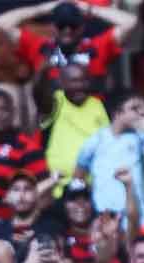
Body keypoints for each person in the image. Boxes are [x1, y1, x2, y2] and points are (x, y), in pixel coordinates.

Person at [0, 0, 137, 90]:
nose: (67, 30)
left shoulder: (95, 48)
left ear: (81, 27)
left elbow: (130, 22)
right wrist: (43, 8)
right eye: (62, 25)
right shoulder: (41, 48)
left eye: (73, 25)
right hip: (54, 124)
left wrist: (89, 9)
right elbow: (2, 22)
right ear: (53, 27)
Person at [74, 93, 144, 223]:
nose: (140, 113)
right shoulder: (96, 140)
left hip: (137, 216)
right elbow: (78, 176)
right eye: (134, 109)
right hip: (103, 217)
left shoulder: (141, 137)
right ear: (118, 113)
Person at [0, 89, 51, 221]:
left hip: (12, 223)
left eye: (4, 110)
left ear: (12, 112)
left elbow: (45, 193)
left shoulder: (27, 147)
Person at [36, 63, 109, 197]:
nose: (80, 85)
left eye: (84, 80)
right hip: (59, 186)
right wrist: (42, 74)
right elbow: (40, 97)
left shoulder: (97, 105)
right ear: (61, 83)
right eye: (74, 81)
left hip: (93, 187)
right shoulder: (57, 100)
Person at [0, 172, 62, 262]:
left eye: (27, 189)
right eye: (16, 190)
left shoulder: (51, 228)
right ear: (7, 197)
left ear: (36, 194)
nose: (21, 195)